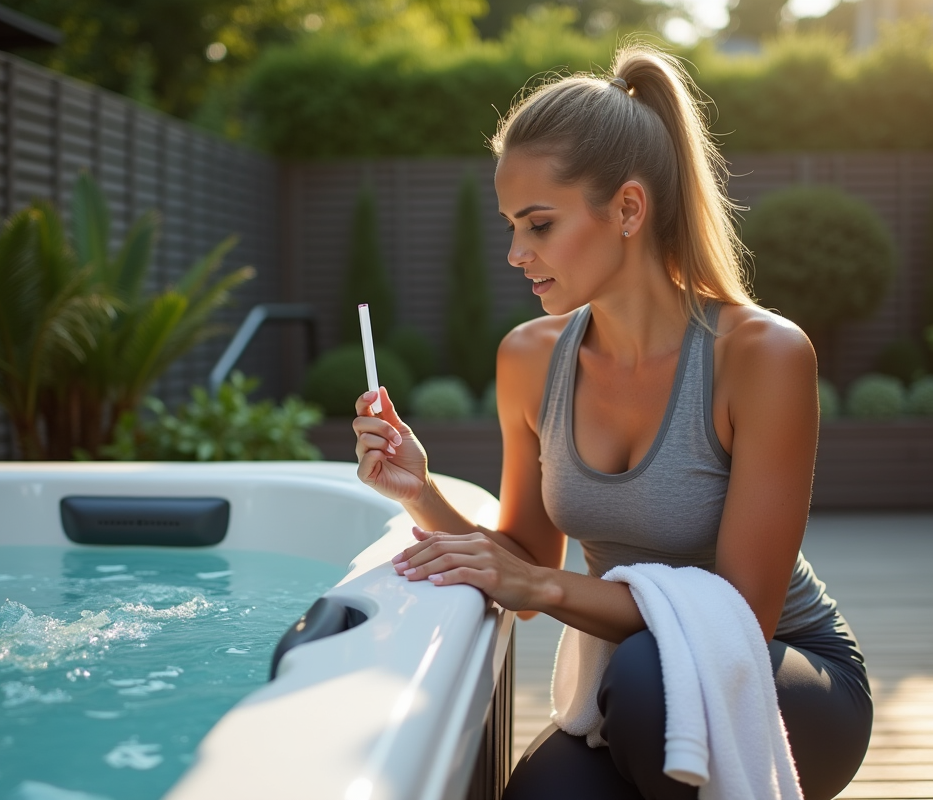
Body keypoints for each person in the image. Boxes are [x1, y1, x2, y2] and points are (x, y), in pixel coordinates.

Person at [350, 42, 872, 800]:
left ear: (628, 208)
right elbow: (526, 552)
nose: (514, 253)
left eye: (539, 225)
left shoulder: (761, 355)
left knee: (647, 682)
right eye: (510, 226)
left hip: (782, 672)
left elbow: (741, 615)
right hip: (635, 689)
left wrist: (547, 589)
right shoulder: (529, 358)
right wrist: (419, 491)